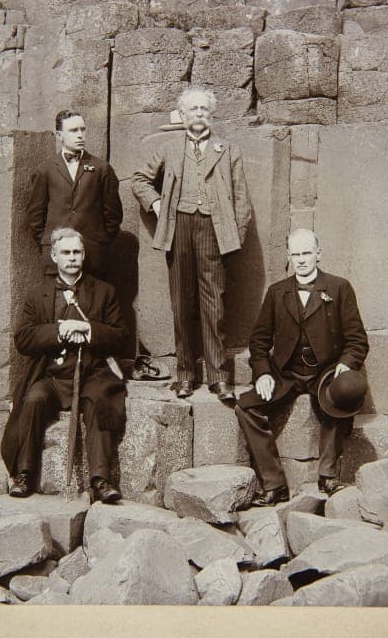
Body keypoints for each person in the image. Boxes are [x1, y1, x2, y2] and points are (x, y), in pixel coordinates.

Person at [131, 87, 251, 401]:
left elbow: (241, 199)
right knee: (181, 302)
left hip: (214, 229)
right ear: (182, 115)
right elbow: (139, 180)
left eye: (203, 109)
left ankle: (218, 377)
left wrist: (234, 238)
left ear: (211, 114)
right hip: (179, 227)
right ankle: (185, 375)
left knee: (215, 304)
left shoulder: (228, 150)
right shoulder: (169, 148)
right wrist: (157, 204)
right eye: (193, 109)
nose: (198, 114)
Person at [235, 228, 369, 505]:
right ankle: (274, 484)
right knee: (245, 407)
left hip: (324, 372)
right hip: (285, 373)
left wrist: (346, 364)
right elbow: (259, 341)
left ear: (318, 254)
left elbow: (357, 340)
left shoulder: (339, 288)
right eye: (295, 254)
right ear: (288, 256)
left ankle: (328, 476)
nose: (301, 260)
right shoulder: (276, 292)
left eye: (306, 253)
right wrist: (263, 373)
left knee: (341, 396)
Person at [0, 227, 129, 503]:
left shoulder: (104, 292)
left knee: (98, 401)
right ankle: (24, 474)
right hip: (53, 376)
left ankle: (101, 480)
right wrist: (59, 331)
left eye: (77, 252)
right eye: (66, 252)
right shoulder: (37, 295)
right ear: (54, 256)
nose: (72, 258)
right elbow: (23, 339)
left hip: (93, 373)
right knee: (33, 399)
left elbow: (121, 337)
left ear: (84, 255)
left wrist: (87, 329)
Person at [27, 109, 123, 279]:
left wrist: (98, 242)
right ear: (59, 135)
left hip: (92, 256)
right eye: (73, 130)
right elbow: (35, 215)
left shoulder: (101, 168)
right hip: (56, 258)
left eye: (82, 129)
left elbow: (113, 215)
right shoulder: (45, 170)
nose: (80, 135)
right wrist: (50, 243)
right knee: (57, 296)